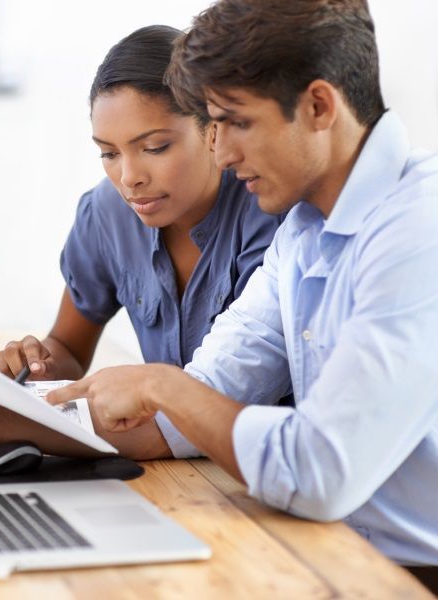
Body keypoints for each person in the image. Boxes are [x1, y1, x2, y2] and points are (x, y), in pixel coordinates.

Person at [46, 0, 438, 583]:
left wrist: (160, 385)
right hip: (322, 554)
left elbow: (317, 473)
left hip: (410, 574)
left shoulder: (419, 229)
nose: (223, 153)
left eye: (236, 122)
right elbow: (198, 405)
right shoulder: (303, 231)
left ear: (318, 106)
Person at [0, 25, 284, 459]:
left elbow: (218, 404)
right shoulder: (107, 213)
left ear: (212, 130)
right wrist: (31, 368)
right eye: (109, 153)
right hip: (167, 463)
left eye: (155, 147)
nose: (129, 177)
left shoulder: (269, 216)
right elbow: (69, 348)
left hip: (249, 464)